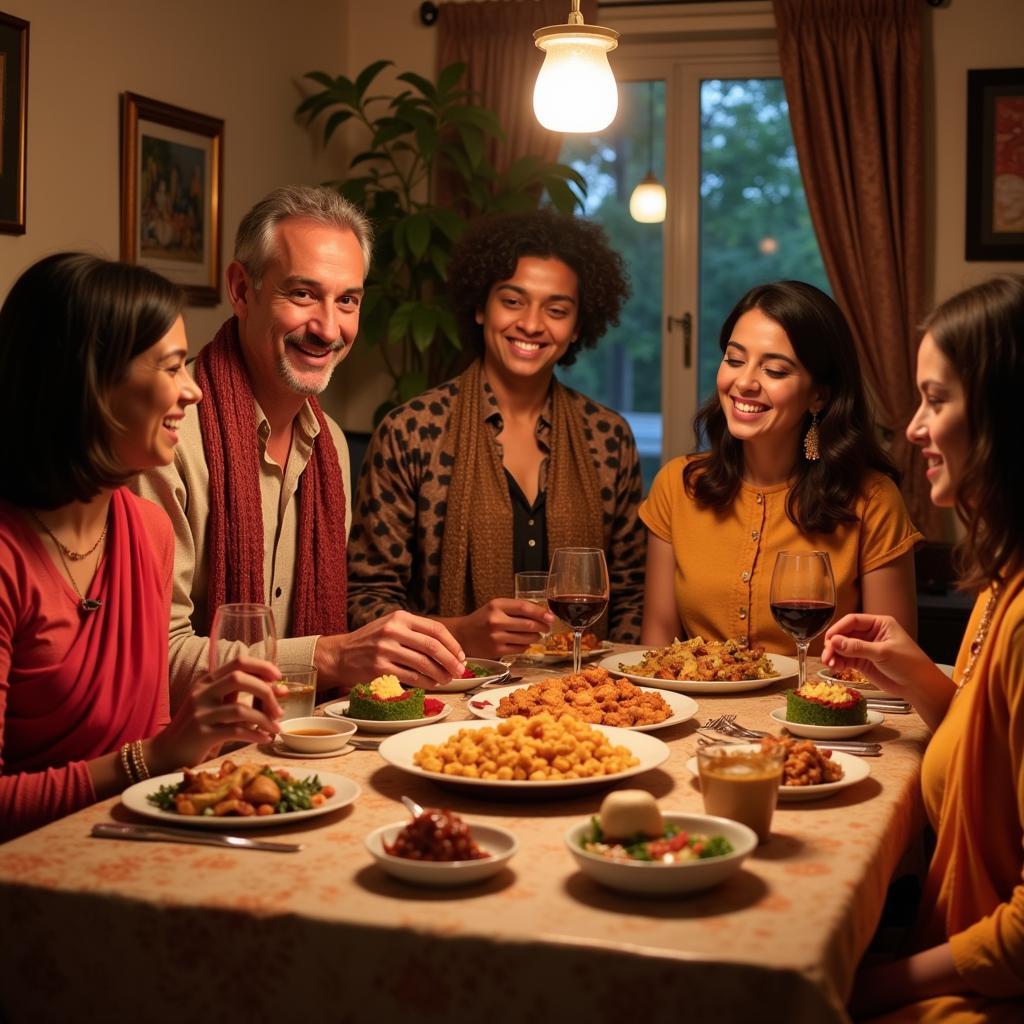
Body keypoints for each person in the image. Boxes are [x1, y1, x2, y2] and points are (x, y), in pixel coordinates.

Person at [134, 186, 466, 708]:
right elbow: (154, 658)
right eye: (304, 294)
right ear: (242, 291)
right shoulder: (169, 434)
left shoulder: (329, 442)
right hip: (193, 761)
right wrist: (329, 657)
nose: (328, 329)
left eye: (348, 301)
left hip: (306, 744)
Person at [0, 254, 285, 842]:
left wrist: (196, 744)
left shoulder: (146, 531)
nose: (195, 392)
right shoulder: (8, 558)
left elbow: (151, 742)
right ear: (91, 385)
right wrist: (156, 756)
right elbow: (145, 756)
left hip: (123, 845)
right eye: (174, 367)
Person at [824, 275, 1024, 1022]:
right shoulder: (1001, 584)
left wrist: (867, 986)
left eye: (935, 401)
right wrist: (915, 674)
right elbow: (989, 751)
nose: (912, 428)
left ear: (1005, 413)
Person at [346, 210, 646, 657]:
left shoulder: (608, 438)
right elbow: (364, 599)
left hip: (584, 698)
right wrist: (459, 633)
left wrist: (607, 684)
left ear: (578, 326)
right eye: (512, 300)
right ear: (480, 308)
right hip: (446, 696)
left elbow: (630, 595)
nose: (531, 323)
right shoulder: (411, 431)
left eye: (557, 309)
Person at [641, 280, 921, 654]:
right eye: (734, 359)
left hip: (822, 710)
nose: (744, 382)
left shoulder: (872, 501)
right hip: (701, 713)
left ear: (818, 394)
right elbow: (657, 650)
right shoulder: (678, 486)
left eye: (774, 370)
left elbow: (895, 666)